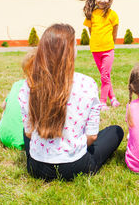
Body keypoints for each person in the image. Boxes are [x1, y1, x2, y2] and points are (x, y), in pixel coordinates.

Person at [19, 23, 123, 181]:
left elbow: (28, 132)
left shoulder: (29, 84)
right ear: (69, 51)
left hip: (36, 167)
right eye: (75, 44)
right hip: (75, 166)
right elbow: (92, 137)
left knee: (25, 129)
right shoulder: (87, 84)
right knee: (115, 131)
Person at [80, 0, 120, 110]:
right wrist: (96, 42)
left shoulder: (112, 15)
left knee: (104, 76)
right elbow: (91, 32)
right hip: (95, 50)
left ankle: (102, 102)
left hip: (108, 49)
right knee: (105, 76)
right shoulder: (91, 14)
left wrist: (110, 43)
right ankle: (113, 98)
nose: (102, 0)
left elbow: (115, 31)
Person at [0, 50, 36, 150]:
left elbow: (3, 105)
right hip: (23, 140)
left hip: (2, 134)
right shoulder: (39, 90)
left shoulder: (17, 84)